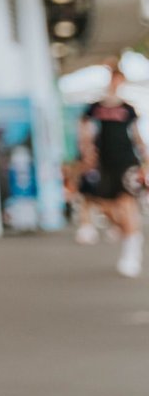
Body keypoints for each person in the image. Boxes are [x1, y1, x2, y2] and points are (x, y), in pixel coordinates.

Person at [78, 66, 146, 276]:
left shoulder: (128, 109)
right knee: (105, 206)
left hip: (126, 161)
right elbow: (85, 130)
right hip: (104, 162)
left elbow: (136, 135)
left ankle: (131, 251)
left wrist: (146, 159)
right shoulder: (95, 107)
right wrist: (86, 151)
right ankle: (128, 233)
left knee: (127, 203)